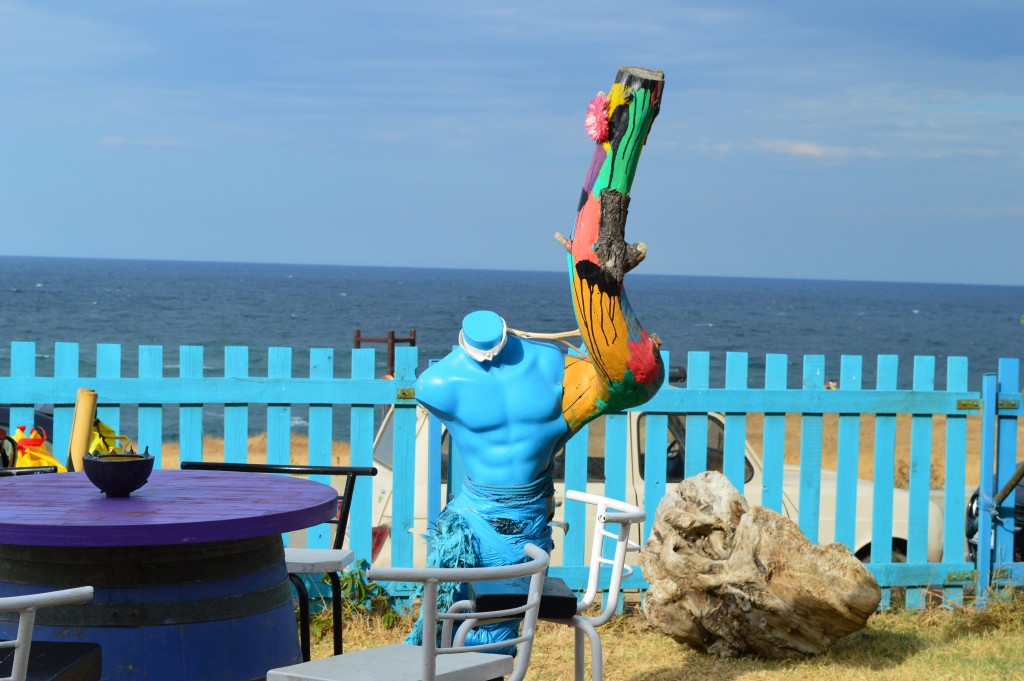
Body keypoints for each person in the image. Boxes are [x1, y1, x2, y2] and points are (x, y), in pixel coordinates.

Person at [406, 309, 571, 649]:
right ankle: (465, 662)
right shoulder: (437, 383)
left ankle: (480, 663)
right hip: (475, 525)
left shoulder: (551, 358)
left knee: (498, 626)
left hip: (528, 521)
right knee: (455, 617)